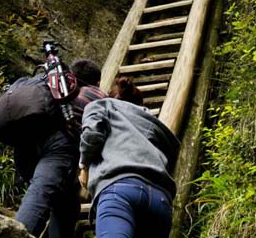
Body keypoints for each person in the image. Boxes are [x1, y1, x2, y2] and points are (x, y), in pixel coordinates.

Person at [14, 59, 107, 238]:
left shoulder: (53, 88)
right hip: (58, 147)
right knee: (42, 194)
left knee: (66, 204)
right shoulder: (96, 94)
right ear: (97, 82)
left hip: (26, 143)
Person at [79, 77, 180, 238]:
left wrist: (84, 165)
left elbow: (92, 133)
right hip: (160, 198)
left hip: (119, 190)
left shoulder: (101, 105)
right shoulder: (153, 123)